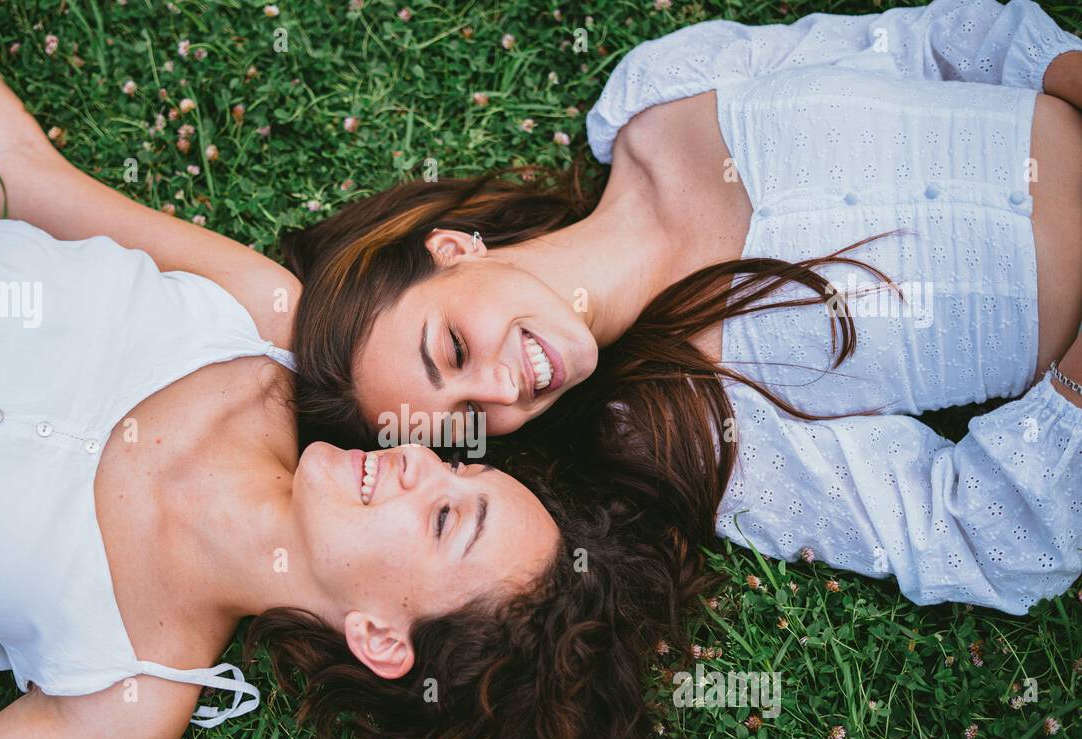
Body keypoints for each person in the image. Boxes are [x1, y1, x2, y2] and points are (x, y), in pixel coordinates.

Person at [0, 1, 679, 739]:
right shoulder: (256, 323)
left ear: (379, 638)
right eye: (460, 468)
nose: (417, 460)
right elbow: (22, 176)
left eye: (446, 518)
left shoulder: (128, 693)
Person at [284, 0, 1082, 615]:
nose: (501, 392)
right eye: (470, 420)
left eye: (454, 349)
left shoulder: (655, 93)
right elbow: (965, 533)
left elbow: (930, 44)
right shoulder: (689, 427)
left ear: (453, 248)